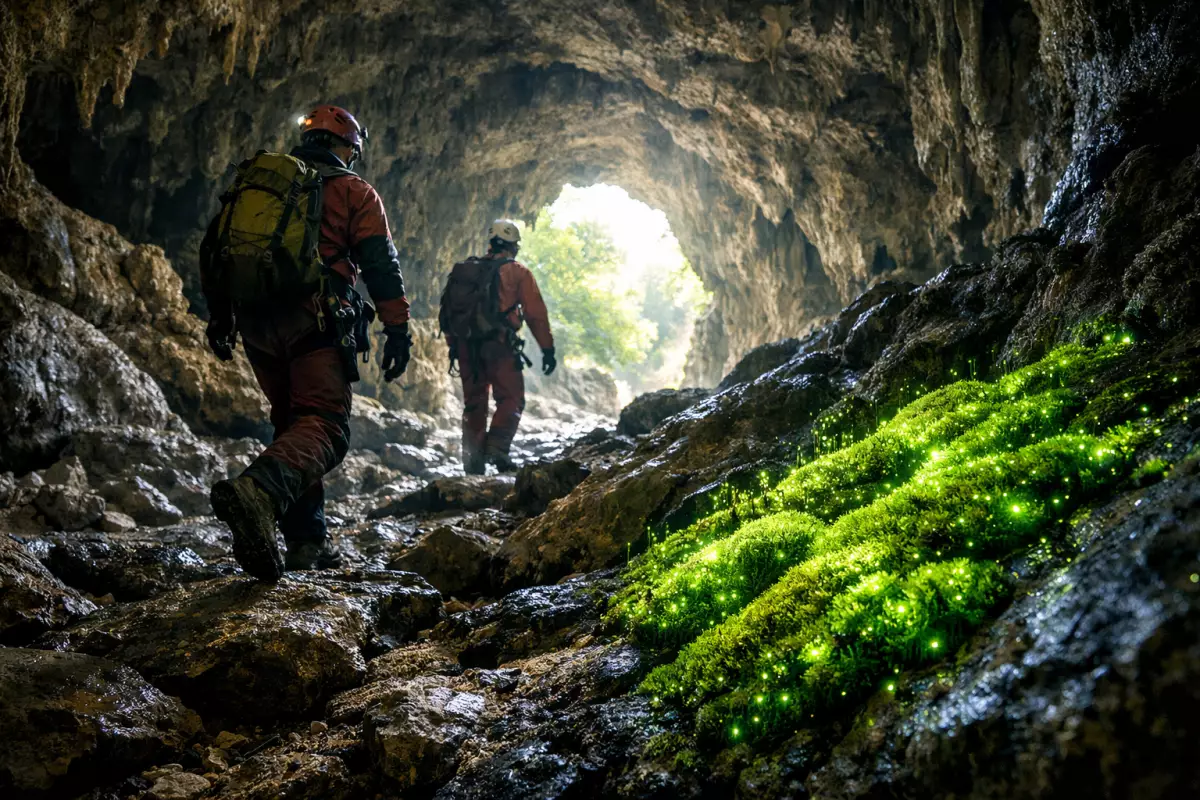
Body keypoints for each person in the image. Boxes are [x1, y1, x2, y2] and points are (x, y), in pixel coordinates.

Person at [199, 104, 412, 581]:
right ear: (346, 148)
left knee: (293, 424)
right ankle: (258, 492)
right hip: (313, 321)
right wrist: (397, 328)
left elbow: (215, 246)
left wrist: (220, 315)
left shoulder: (257, 185)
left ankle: (305, 541)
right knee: (325, 426)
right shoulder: (353, 191)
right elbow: (380, 265)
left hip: (254, 322)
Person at [439, 220, 556, 474]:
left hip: (467, 347)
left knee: (474, 402)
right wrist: (547, 349)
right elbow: (536, 315)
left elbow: (449, 314)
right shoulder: (517, 272)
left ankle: (473, 461)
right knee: (511, 399)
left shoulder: (466, 271)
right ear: (514, 246)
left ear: (491, 243)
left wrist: (455, 346)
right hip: (500, 347)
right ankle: (497, 448)